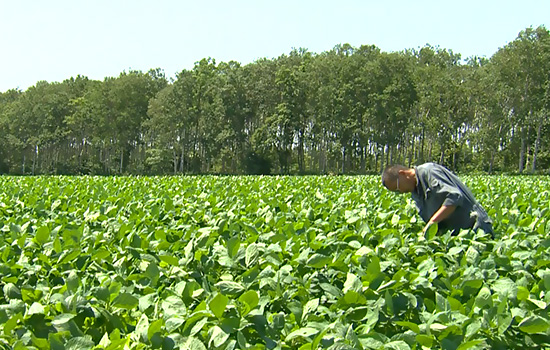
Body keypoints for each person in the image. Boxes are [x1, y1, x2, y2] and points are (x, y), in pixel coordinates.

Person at [381, 163, 493, 235]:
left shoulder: (429, 172)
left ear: (402, 174)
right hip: (458, 237)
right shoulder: (416, 192)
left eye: (397, 188)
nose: (400, 192)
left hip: (476, 229)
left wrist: (432, 223)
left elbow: (454, 197)